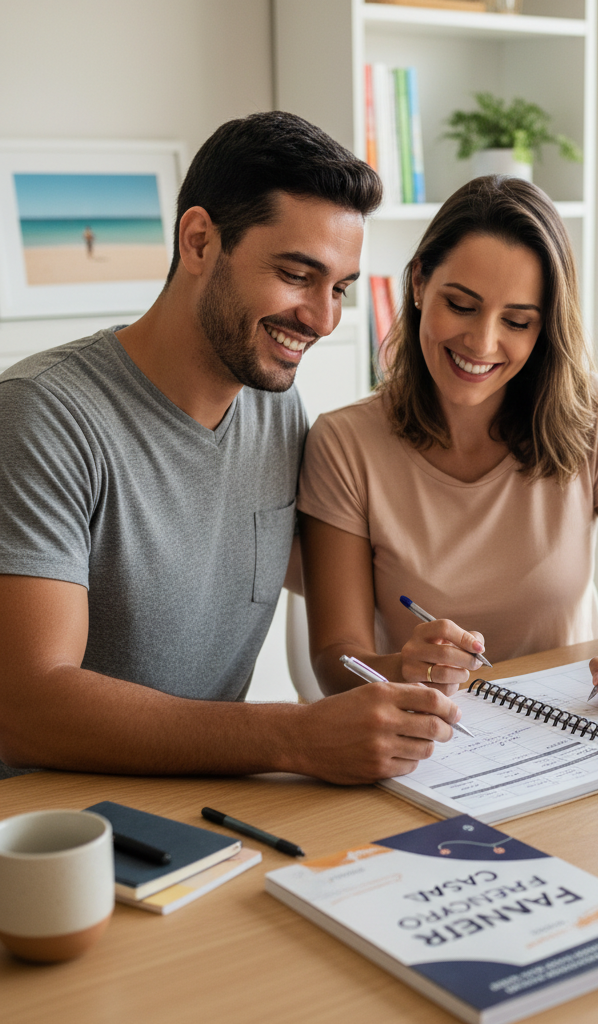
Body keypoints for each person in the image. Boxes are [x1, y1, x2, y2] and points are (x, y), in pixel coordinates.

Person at [0, 112, 464, 784]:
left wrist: (401, 670)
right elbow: (26, 705)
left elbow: (338, 580)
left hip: (218, 810)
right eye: (297, 274)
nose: (324, 317)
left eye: (338, 288)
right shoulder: (44, 415)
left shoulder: (276, 410)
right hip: (62, 835)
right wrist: (294, 736)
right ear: (198, 242)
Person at [299, 176, 598, 710]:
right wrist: (402, 667)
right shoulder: (345, 445)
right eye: (462, 305)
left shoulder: (590, 415)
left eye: (517, 321)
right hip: (431, 744)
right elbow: (335, 659)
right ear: (420, 282)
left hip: (574, 730)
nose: (483, 342)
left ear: (544, 328)